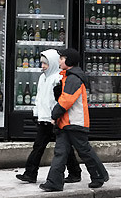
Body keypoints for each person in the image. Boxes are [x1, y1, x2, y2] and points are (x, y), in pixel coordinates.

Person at [39, 48, 109, 192]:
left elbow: (66, 101)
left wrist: (54, 114)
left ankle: (99, 176)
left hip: (75, 122)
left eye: (62, 58)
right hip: (66, 123)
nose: (59, 61)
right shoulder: (68, 76)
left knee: (84, 151)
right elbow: (65, 97)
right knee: (61, 153)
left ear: (69, 61)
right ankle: (54, 182)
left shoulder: (73, 78)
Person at [16, 49, 82, 184]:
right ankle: (30, 173)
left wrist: (56, 116)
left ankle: (74, 172)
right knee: (39, 146)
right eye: (42, 63)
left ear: (52, 63)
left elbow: (60, 100)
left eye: (45, 63)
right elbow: (39, 98)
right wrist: (36, 113)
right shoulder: (42, 77)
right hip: (44, 118)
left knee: (63, 148)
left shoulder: (58, 78)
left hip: (54, 119)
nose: (43, 66)